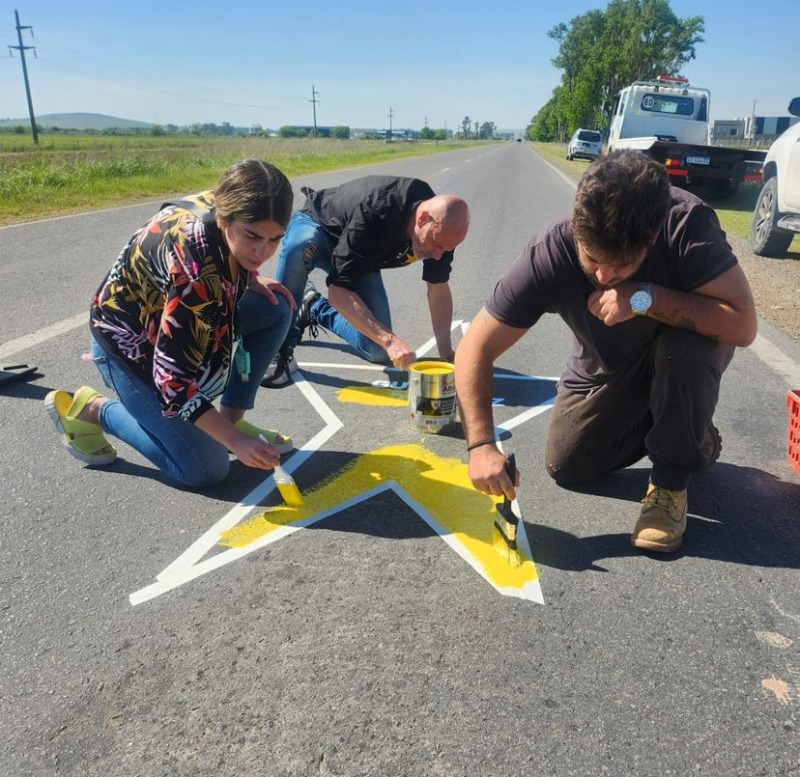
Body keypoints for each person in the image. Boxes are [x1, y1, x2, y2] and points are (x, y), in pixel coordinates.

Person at [455, 150, 757, 553]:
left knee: (684, 347)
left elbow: (742, 325)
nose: (603, 277)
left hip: (682, 356)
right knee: (568, 464)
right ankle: (689, 430)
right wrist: (480, 444)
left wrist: (645, 297)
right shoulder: (549, 252)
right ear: (577, 229)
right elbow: (476, 346)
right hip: (609, 368)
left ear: (651, 238)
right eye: (593, 259)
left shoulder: (686, 223)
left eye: (621, 265)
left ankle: (670, 483)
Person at [45, 159, 297, 489]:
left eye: (275, 239)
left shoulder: (233, 203)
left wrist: (249, 276)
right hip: (129, 345)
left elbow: (232, 248)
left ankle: (227, 423)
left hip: (172, 317)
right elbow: (172, 381)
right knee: (205, 470)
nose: (263, 251)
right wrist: (235, 442)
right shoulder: (197, 269)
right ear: (224, 217)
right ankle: (91, 410)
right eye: (252, 237)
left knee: (275, 308)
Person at [261, 175, 470, 386]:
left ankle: (313, 306)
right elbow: (338, 290)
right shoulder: (377, 210)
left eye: (446, 249)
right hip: (320, 226)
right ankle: (277, 350)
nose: (437, 255)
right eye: (436, 245)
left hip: (360, 257)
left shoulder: (443, 234)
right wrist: (390, 340)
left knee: (377, 350)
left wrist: (447, 358)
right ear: (423, 218)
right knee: (300, 249)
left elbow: (438, 289)